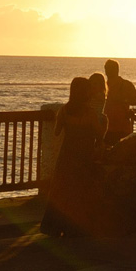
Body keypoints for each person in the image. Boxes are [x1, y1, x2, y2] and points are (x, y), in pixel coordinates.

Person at [41, 77, 106, 238]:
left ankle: (55, 226)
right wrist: (105, 124)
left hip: (67, 155)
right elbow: (99, 135)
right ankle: (76, 228)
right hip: (84, 156)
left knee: (62, 191)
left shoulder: (63, 111)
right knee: (80, 191)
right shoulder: (90, 113)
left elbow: (56, 132)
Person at [104, 60, 136, 145]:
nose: (108, 71)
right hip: (107, 127)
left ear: (116, 70)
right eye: (107, 69)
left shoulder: (126, 85)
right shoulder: (104, 85)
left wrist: (122, 100)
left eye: (110, 69)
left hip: (122, 127)